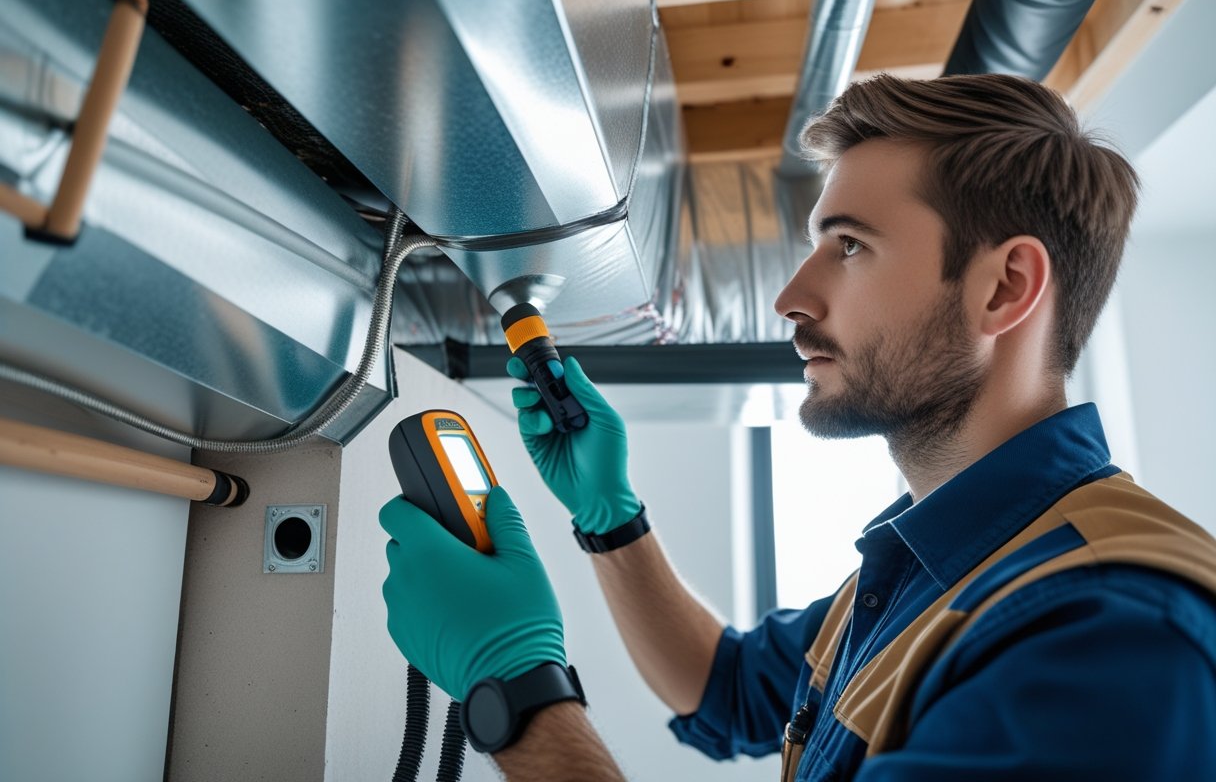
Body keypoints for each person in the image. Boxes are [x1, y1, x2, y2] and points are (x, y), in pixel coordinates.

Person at [378, 73, 1216, 781]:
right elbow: (725, 685)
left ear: (1004, 288)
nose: (790, 298)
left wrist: (518, 689)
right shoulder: (933, 568)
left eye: (849, 246)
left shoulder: (1108, 634)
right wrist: (611, 515)